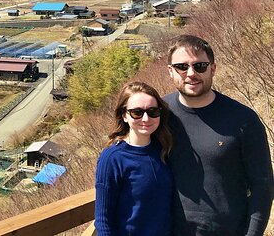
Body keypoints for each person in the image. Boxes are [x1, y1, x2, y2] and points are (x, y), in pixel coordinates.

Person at [165, 34, 274, 235]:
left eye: (200, 66)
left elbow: (263, 186)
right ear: (171, 71)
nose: (191, 73)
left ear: (213, 68)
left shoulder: (243, 119)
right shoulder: (158, 114)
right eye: (182, 67)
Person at [95, 81, 173, 236]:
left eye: (153, 111)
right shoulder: (112, 158)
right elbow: (103, 220)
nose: (146, 119)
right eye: (137, 112)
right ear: (124, 115)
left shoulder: (164, 148)